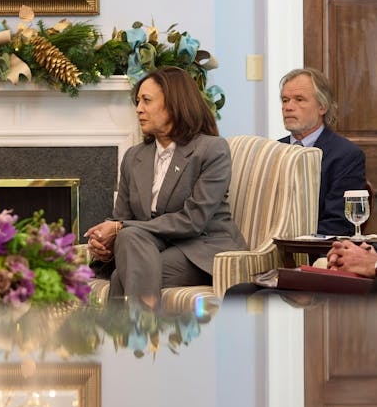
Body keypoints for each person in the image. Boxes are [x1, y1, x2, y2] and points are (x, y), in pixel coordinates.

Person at [85, 66, 247, 306]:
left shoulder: (211, 149)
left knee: (124, 271)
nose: (139, 109)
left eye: (147, 101)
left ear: (174, 103)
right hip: (147, 248)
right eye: (137, 101)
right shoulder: (133, 156)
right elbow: (122, 218)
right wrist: (106, 245)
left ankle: (132, 337)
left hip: (200, 249)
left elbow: (193, 220)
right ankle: (145, 336)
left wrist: (119, 227)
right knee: (128, 240)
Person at [278, 68, 366, 236]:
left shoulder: (346, 155)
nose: (288, 107)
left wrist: (291, 238)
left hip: (315, 250)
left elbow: (339, 223)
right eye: (285, 100)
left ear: (322, 107)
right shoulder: (274, 151)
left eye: (299, 99)